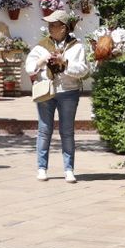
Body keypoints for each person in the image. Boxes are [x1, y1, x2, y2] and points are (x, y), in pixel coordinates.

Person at [23, 9, 92, 183]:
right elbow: (29, 68)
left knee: (67, 132)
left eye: (53, 25)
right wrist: (42, 60)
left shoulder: (77, 47)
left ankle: (69, 170)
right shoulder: (41, 46)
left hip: (68, 93)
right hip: (46, 91)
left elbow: (84, 71)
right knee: (44, 131)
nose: (49, 28)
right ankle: (41, 168)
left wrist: (64, 62)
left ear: (63, 28)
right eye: (49, 24)